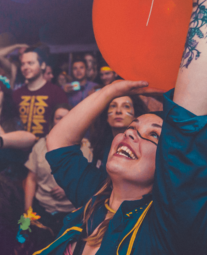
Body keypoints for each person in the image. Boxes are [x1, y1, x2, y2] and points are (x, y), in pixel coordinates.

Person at [35, 0, 207, 253]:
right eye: (131, 127)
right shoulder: (94, 199)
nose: (130, 133)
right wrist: (111, 91)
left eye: (153, 136)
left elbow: (187, 129)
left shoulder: (172, 226)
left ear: (169, 163)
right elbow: (59, 142)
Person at [24, 104, 93, 236]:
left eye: (66, 117)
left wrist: (68, 188)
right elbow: (31, 179)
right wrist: (28, 210)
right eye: (58, 118)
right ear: (52, 122)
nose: (62, 121)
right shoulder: (40, 145)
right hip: (43, 210)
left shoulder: (85, 147)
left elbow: (89, 182)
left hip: (71, 212)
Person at [13, 45, 68, 138]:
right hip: (19, 150)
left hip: (46, 149)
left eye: (30, 63)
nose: (25, 67)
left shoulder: (56, 92)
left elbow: (65, 125)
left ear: (42, 65)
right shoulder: (16, 94)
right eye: (23, 64)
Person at [90, 95, 148, 171]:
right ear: (106, 116)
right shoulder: (100, 145)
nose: (118, 111)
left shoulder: (142, 146)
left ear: (135, 116)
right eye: (113, 106)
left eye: (126, 106)